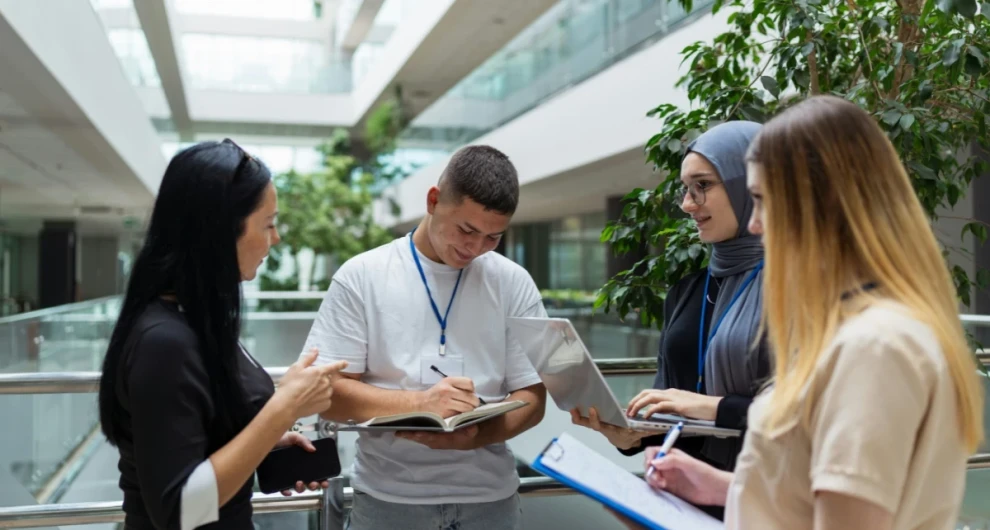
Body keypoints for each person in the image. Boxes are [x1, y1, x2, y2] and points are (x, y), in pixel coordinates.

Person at [636, 95, 984, 529]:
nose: (754, 224)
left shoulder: (874, 347)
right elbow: (812, 498)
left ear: (822, 204)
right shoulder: (860, 328)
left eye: (761, 199)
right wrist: (718, 486)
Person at [98, 140, 348, 530]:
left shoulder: (194, 322)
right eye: (268, 224)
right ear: (221, 230)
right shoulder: (164, 343)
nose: (276, 238)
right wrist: (284, 406)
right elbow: (180, 512)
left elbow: (203, 442)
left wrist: (268, 442)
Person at [302, 145, 547, 530]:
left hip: (489, 500)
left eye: (492, 237)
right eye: (466, 229)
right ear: (433, 200)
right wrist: (421, 402)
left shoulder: (512, 281)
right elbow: (327, 394)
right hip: (388, 501)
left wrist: (477, 436)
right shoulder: (362, 275)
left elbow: (532, 398)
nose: (475, 248)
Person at [570, 122, 769, 495]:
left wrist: (712, 406)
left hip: (769, 497)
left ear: (750, 184)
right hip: (681, 498)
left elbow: (809, 416)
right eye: (685, 189)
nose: (687, 204)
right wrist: (633, 436)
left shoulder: (802, 289)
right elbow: (675, 412)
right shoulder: (688, 291)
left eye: (703, 186)